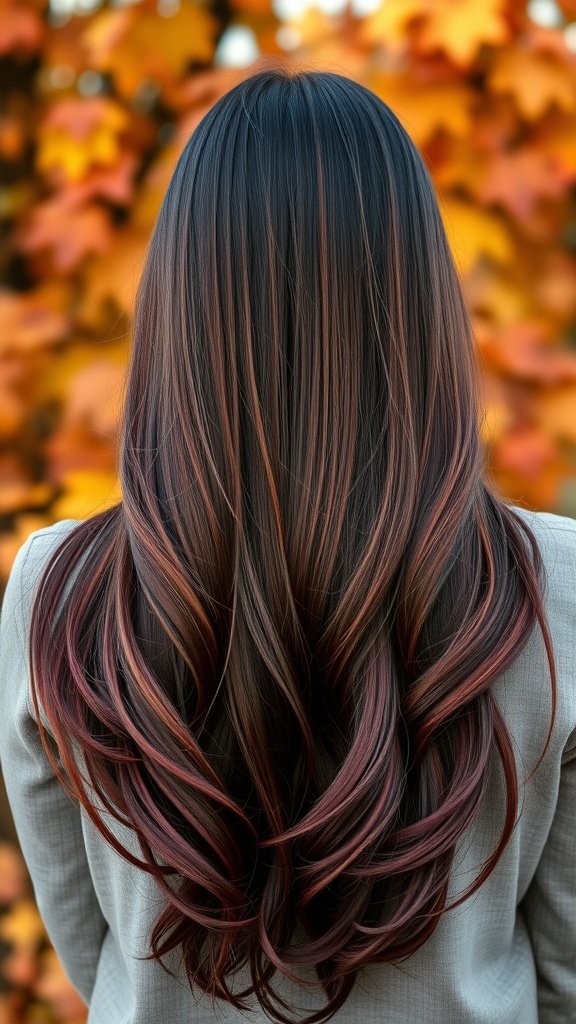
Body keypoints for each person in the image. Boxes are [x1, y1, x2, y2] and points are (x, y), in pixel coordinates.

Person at [0, 64, 575, 1024]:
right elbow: (566, 978)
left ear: (179, 304)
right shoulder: (553, 586)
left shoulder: (58, 589)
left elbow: (90, 938)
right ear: (420, 296)